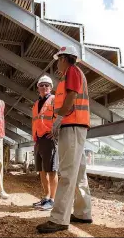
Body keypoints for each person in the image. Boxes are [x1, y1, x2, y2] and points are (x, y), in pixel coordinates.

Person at [37, 46, 93, 233]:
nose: (57, 64)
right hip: (76, 127)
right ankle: (83, 212)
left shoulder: (72, 71)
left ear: (64, 58)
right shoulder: (72, 74)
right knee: (78, 173)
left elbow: (71, 96)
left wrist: (59, 119)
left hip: (72, 126)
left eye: (58, 60)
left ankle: (59, 218)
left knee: (68, 173)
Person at [31, 75, 59, 211]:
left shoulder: (54, 100)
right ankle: (46, 197)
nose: (44, 87)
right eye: (41, 85)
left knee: (51, 170)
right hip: (38, 139)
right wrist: (34, 137)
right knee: (42, 171)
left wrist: (55, 132)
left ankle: (53, 200)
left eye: (47, 85)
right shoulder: (36, 103)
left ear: (51, 87)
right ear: (38, 88)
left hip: (49, 139)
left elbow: (60, 116)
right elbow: (35, 121)